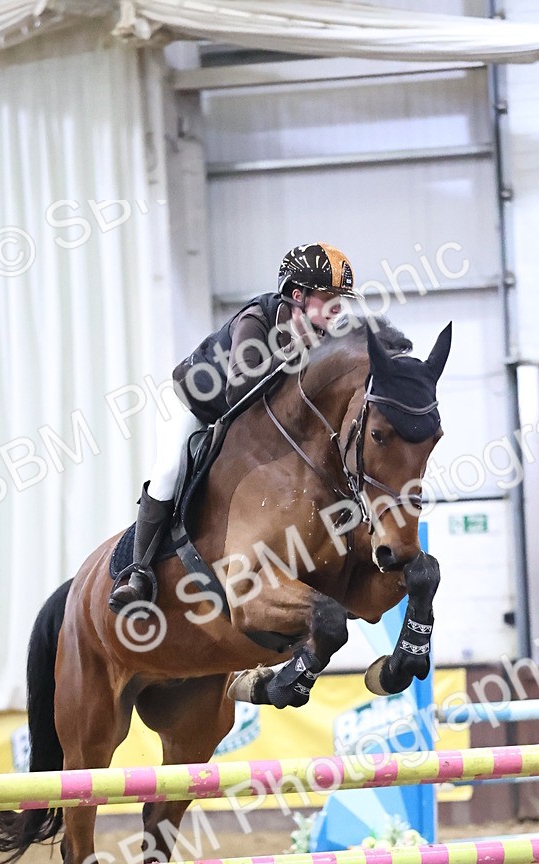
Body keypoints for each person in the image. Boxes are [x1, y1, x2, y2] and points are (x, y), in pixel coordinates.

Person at [109, 243, 358, 613]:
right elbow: (238, 388)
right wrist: (293, 350)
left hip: (245, 419)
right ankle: (138, 572)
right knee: (168, 472)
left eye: (340, 302)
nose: (337, 311)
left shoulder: (325, 338)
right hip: (195, 404)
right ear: (297, 295)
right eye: (328, 299)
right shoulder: (257, 319)